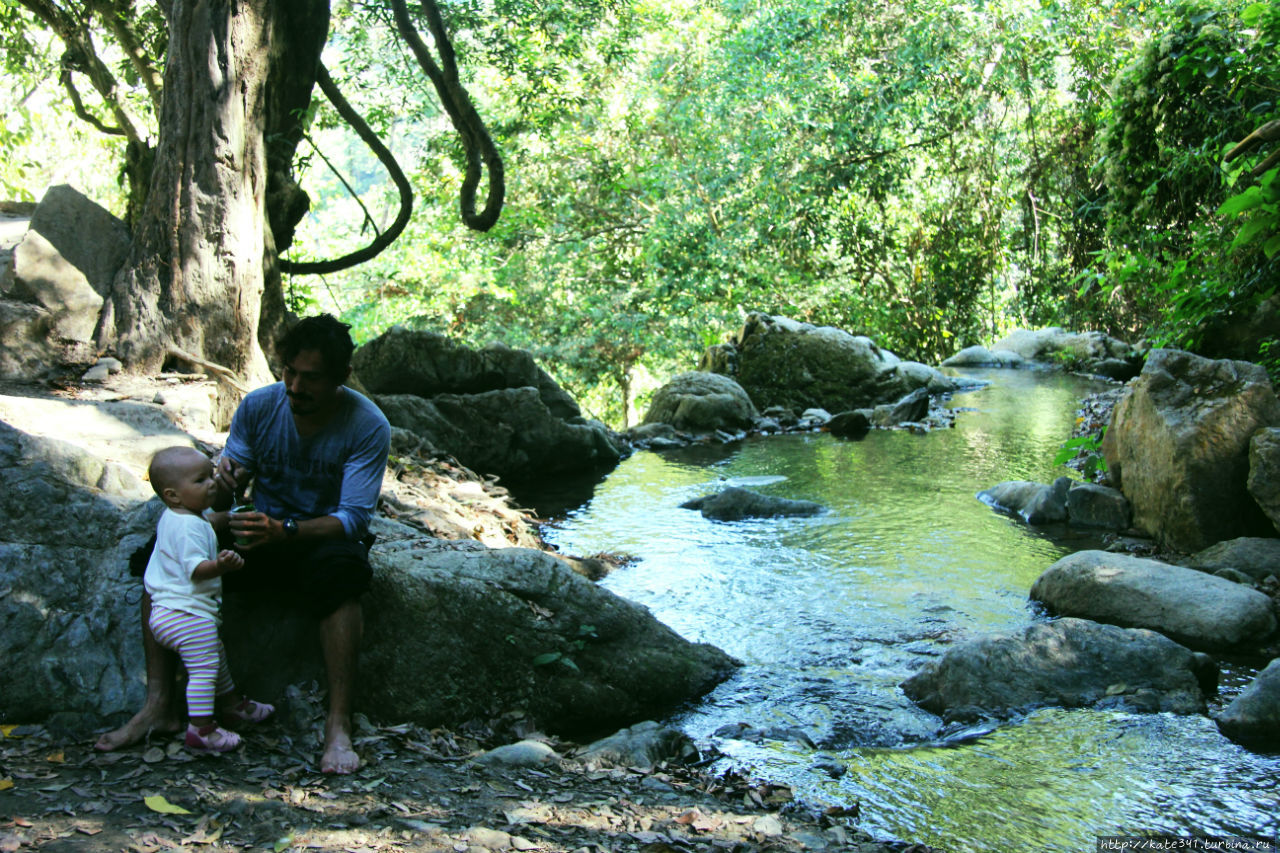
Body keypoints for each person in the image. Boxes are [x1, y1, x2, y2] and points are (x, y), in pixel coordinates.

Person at [96, 314, 392, 775]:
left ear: (340, 378)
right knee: (159, 554)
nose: (294, 386)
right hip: (257, 532)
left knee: (343, 579)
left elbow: (352, 518)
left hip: (319, 536)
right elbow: (224, 486)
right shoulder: (259, 407)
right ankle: (159, 704)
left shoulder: (367, 425)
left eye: (310, 378)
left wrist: (287, 530)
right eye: (289, 372)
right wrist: (227, 484)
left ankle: (338, 726)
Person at [142, 446, 274, 752]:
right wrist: (222, 565)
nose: (213, 483)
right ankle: (201, 729)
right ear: (173, 495)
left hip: (172, 612)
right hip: (184, 614)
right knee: (203, 670)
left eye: (212, 474)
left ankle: (231, 705)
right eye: (201, 480)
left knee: (215, 657)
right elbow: (196, 569)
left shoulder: (180, 516)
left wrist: (230, 515)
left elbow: (209, 521)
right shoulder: (188, 527)